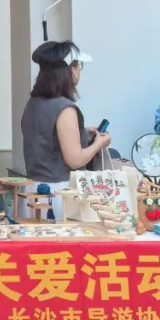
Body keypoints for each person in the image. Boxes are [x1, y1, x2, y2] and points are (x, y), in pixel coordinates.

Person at [19, 41, 110, 212]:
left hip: (32, 189)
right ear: (71, 69)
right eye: (78, 66)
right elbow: (75, 160)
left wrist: (81, 133)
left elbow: (46, 137)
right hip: (58, 193)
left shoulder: (33, 103)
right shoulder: (65, 108)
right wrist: (99, 144)